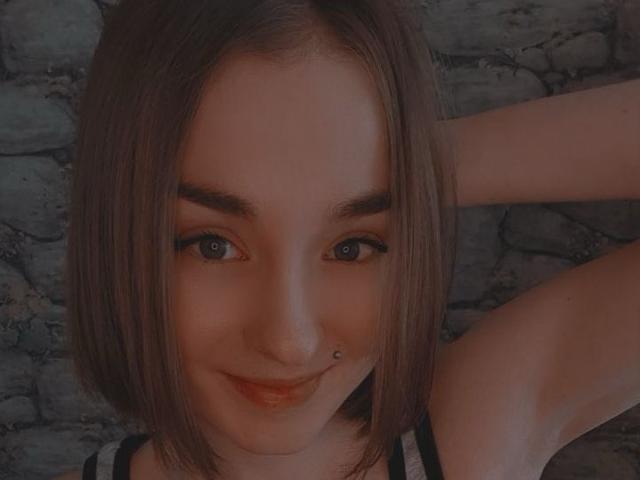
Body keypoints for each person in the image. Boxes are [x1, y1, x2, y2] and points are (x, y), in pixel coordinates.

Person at [52, 0, 640, 479]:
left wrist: (418, 163)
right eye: (213, 246)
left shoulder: (473, 440)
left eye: (352, 246)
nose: (290, 341)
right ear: (118, 229)